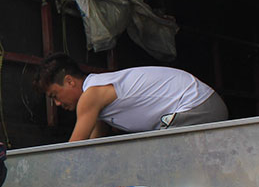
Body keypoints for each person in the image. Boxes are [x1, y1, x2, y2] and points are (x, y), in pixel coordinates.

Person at [35, 53, 228, 142]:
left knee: (162, 162)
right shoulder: (98, 98)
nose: (58, 103)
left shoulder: (91, 94)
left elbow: (75, 147)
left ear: (69, 81)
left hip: (196, 105)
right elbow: (94, 147)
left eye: (55, 95)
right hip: (203, 105)